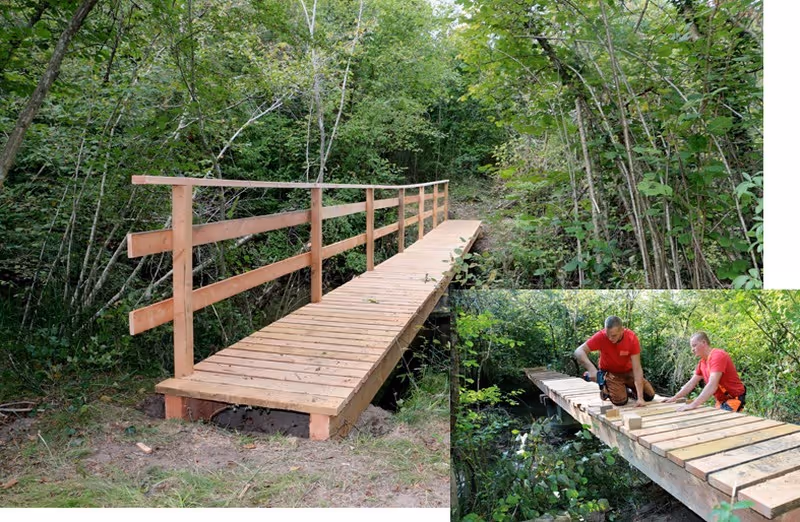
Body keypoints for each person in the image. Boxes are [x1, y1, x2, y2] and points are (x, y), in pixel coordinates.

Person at [574, 316, 655, 407]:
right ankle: (606, 389)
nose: (610, 338)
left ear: (622, 330)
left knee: (649, 395)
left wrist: (640, 398)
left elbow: (637, 368)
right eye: (607, 335)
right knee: (620, 401)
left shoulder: (631, 338)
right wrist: (592, 369)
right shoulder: (601, 336)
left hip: (628, 372)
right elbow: (578, 351)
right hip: (611, 373)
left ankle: (626, 390)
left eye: (613, 335)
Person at [665, 331, 746, 412]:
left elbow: (712, 385)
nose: (692, 349)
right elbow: (691, 383)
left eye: (694, 345)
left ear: (704, 342)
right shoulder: (702, 363)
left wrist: (693, 404)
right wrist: (675, 397)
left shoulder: (718, 356)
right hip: (721, 401)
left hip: (734, 399)